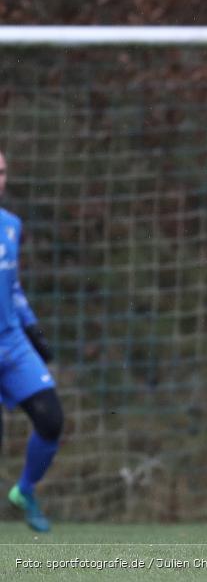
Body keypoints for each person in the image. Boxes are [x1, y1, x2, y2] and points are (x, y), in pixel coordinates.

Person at [0, 150, 61, 533]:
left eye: (2, 171)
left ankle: (25, 491)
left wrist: (34, 330)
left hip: (11, 342)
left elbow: (14, 286)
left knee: (51, 419)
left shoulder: (11, 225)